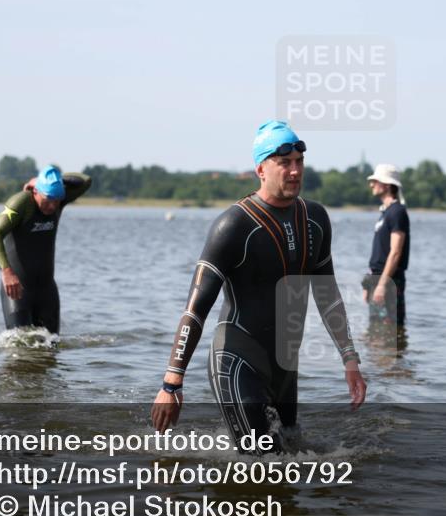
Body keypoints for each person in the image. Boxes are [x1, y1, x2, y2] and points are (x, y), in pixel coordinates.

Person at [151, 120, 367, 454]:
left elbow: (328, 296)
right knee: (263, 464)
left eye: (299, 162)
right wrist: (171, 382)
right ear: (261, 170)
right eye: (284, 163)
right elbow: (196, 309)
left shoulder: (315, 219)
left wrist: (349, 359)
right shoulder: (233, 225)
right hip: (237, 363)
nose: (295, 171)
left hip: (285, 369)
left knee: (292, 456)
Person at [0, 164, 91, 334]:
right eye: (47, 200)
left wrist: (56, 180)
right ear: (35, 191)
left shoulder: (59, 200)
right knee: (20, 344)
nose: (52, 206)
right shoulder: (20, 203)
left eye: (56, 201)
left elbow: (86, 180)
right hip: (18, 291)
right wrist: (6, 271)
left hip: (46, 291)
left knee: (52, 345)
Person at [362, 164, 410, 329]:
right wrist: (368, 283)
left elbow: (395, 252)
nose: (371, 185)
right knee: (376, 332)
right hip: (378, 280)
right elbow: (380, 253)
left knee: (387, 332)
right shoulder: (386, 212)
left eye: (375, 181)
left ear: (387, 185)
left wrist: (382, 285)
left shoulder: (397, 212)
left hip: (389, 282)